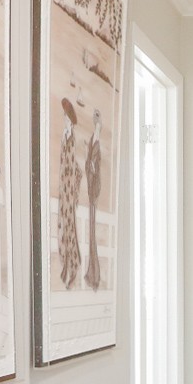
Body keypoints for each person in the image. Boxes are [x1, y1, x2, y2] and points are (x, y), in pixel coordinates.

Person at [55, 98, 81, 289]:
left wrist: (71, 192)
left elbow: (71, 167)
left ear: (70, 121)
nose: (64, 119)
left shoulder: (71, 139)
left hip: (68, 193)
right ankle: (66, 265)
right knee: (63, 228)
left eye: (66, 117)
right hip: (64, 192)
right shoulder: (65, 137)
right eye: (64, 116)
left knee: (69, 229)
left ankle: (72, 267)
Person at [83, 105, 103, 290]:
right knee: (91, 233)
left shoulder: (96, 140)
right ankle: (92, 272)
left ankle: (94, 274)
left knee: (92, 233)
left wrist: (92, 167)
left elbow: (95, 166)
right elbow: (90, 163)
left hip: (93, 192)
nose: (94, 122)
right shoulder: (93, 139)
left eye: (96, 120)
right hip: (91, 190)